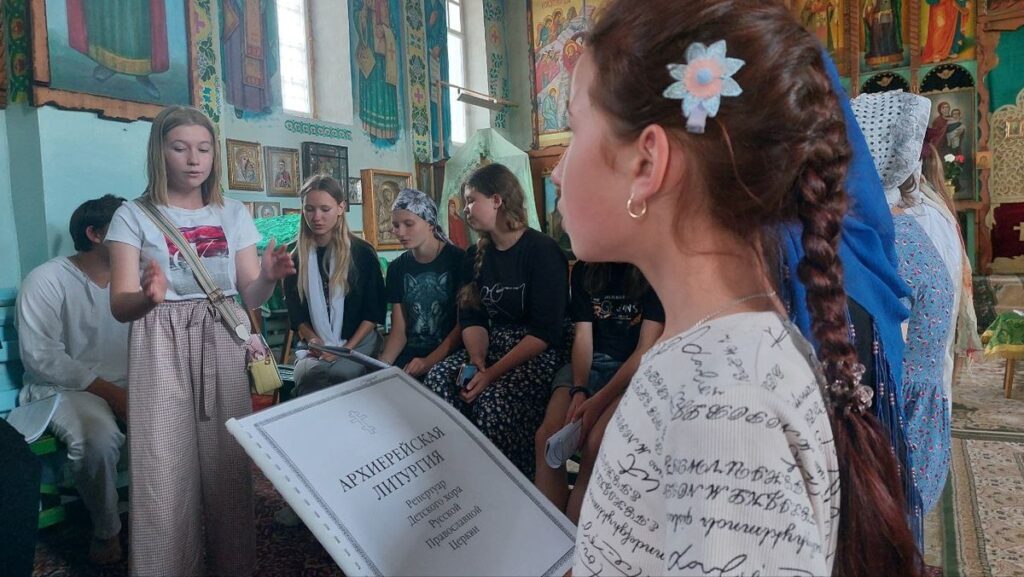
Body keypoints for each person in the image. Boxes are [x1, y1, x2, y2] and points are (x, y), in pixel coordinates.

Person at [552, 0, 921, 574]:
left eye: (574, 128)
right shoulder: (713, 360)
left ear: (647, 163)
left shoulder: (723, 409)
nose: (556, 169)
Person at [107, 105, 296, 576]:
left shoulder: (232, 212)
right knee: (163, 464)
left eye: (204, 149)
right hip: (160, 341)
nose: (194, 159)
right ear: (159, 152)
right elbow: (120, 304)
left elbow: (249, 293)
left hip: (221, 337)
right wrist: (148, 298)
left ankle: (234, 566)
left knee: (227, 463)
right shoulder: (132, 215)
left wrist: (268, 278)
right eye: (180, 148)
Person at [423, 163, 569, 480]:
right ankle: (457, 476)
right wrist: (477, 361)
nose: (465, 209)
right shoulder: (474, 255)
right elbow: (472, 316)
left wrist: (490, 374)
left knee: (493, 402)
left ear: (497, 200)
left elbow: (545, 331)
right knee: (439, 380)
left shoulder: (542, 251)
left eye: (471, 200)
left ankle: (509, 481)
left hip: (535, 352)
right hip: (489, 346)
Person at [853, 91, 955, 526]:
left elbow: (881, 353)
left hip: (899, 422)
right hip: (918, 415)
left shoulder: (885, 242)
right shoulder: (913, 227)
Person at [17, 194, 128, 565]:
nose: (137, 237)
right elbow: (42, 357)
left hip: (125, 385)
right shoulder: (46, 280)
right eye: (126, 228)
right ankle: (106, 531)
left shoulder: (133, 282)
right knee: (98, 437)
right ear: (95, 234)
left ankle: (170, 515)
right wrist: (113, 394)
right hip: (63, 389)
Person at [533, 261, 663, 523]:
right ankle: (548, 533)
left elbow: (646, 348)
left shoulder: (654, 269)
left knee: (596, 444)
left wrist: (598, 400)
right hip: (589, 364)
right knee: (548, 437)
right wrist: (580, 390)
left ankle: (575, 536)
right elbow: (583, 336)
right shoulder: (585, 269)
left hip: (632, 371)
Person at [284, 174, 386, 396]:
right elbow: (297, 316)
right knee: (307, 376)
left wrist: (346, 349)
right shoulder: (296, 258)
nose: (316, 217)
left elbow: (373, 313)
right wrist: (313, 340)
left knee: (341, 374)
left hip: (358, 340)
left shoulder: (362, 253)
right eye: (309, 209)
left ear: (341, 208)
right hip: (316, 342)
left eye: (325, 209)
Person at [378, 189, 465, 376]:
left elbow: (462, 326)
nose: (400, 232)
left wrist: (428, 362)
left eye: (408, 224)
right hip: (410, 355)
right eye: (396, 225)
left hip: (449, 355)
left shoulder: (459, 261)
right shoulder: (397, 269)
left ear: (430, 223)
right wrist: (381, 366)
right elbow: (399, 331)